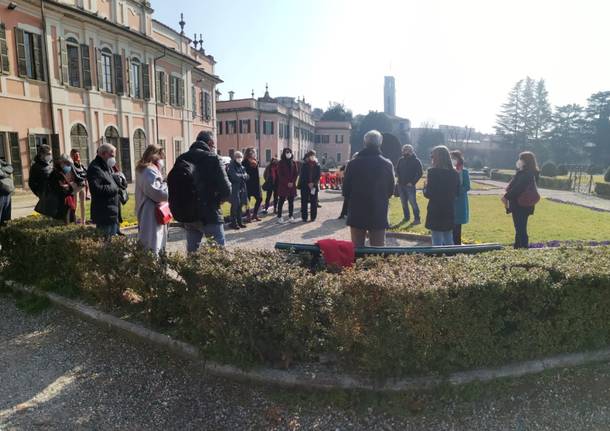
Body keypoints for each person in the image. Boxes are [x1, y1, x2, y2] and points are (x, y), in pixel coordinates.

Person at [179, 131, 231, 251]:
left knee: (192, 252)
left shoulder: (182, 158)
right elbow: (227, 190)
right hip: (210, 212)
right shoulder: (213, 158)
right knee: (218, 253)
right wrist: (220, 200)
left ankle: (190, 270)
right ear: (210, 143)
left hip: (189, 213)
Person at [342, 130, 395, 247]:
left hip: (357, 210)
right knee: (378, 249)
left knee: (357, 248)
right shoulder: (387, 164)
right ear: (380, 144)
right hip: (378, 210)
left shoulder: (353, 164)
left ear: (364, 143)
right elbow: (391, 190)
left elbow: (345, 190)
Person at [135, 144, 169, 254]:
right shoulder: (148, 170)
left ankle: (156, 267)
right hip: (150, 213)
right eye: (161, 157)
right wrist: (167, 184)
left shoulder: (148, 169)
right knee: (152, 244)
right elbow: (158, 193)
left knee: (155, 242)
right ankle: (153, 269)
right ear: (154, 156)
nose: (162, 160)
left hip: (153, 212)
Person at [502, 151, 540, 249]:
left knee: (520, 228)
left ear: (525, 161)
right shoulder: (527, 172)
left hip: (521, 205)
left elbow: (518, 188)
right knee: (519, 227)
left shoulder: (526, 174)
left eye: (520, 159)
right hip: (524, 204)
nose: (519, 161)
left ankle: (522, 247)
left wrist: (506, 196)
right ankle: (518, 247)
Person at [424, 146, 460, 246]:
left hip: (435, 209)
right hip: (448, 208)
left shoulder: (432, 172)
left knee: (436, 238)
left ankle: (438, 259)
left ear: (436, 158)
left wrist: (424, 187)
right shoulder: (455, 173)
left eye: (432, 156)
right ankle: (451, 259)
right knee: (448, 237)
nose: (431, 158)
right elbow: (457, 193)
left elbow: (429, 193)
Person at [87, 143, 121, 236]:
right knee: (105, 244)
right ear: (103, 154)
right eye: (111, 156)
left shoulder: (106, 166)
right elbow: (96, 188)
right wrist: (114, 187)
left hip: (111, 211)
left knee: (112, 243)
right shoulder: (95, 168)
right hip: (104, 213)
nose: (113, 158)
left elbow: (110, 182)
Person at [396, 145, 423, 225]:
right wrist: (398, 179)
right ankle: (406, 217)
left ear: (411, 151)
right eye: (404, 149)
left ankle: (417, 219)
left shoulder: (416, 161)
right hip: (401, 185)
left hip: (410, 186)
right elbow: (397, 170)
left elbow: (420, 173)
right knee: (403, 203)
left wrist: (413, 182)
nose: (405, 151)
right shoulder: (401, 160)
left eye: (407, 149)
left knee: (413, 203)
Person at [46, 155, 77, 223]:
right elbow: (58, 187)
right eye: (67, 164)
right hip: (60, 200)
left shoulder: (61, 171)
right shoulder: (56, 173)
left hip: (65, 198)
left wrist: (69, 185)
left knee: (68, 215)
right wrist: (69, 186)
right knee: (64, 219)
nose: (68, 166)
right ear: (62, 163)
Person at [451, 150, 471, 245]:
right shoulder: (448, 170)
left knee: (457, 226)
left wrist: (457, 192)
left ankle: (456, 246)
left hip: (459, 201)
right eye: (451, 158)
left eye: (454, 158)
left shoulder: (464, 172)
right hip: (449, 201)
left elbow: (467, 186)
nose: (452, 160)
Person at [276, 148, 299, 224]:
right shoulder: (280, 163)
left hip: (292, 186)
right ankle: (279, 216)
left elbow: (296, 173)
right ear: (284, 153)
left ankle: (291, 216)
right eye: (287, 152)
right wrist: (287, 183)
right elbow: (280, 175)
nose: (288, 153)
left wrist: (292, 182)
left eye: (289, 152)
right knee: (281, 201)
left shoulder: (293, 162)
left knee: (291, 202)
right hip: (283, 185)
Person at [227, 151, 249, 230]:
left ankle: (240, 222)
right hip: (234, 188)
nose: (240, 159)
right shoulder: (231, 166)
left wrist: (242, 176)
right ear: (235, 158)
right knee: (235, 206)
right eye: (238, 157)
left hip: (241, 188)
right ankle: (233, 223)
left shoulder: (242, 167)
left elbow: (247, 176)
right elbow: (234, 176)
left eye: (241, 157)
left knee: (240, 206)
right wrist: (243, 176)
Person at [300, 150, 321, 222]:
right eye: (311, 155)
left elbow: (318, 176)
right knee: (304, 202)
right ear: (308, 156)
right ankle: (304, 217)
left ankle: (313, 217)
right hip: (305, 186)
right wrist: (308, 183)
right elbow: (302, 176)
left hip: (314, 186)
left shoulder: (317, 165)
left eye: (313, 155)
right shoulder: (304, 165)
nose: (312, 156)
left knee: (314, 202)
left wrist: (313, 183)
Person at [243, 148, 262, 222]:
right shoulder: (244, 162)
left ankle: (255, 214)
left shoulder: (256, 161)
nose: (254, 153)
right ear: (249, 153)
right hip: (248, 184)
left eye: (254, 152)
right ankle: (248, 216)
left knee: (259, 199)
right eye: (253, 152)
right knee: (247, 200)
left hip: (256, 184)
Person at [70, 149, 88, 225]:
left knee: (83, 205)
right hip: (76, 187)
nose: (77, 156)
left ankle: (83, 222)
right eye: (75, 155)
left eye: (78, 155)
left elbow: (87, 173)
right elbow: (76, 177)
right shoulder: (71, 165)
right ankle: (74, 221)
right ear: (72, 156)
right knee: (75, 206)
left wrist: (83, 176)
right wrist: (84, 176)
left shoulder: (81, 165)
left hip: (82, 186)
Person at [0, 157, 15, 226]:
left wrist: (3, 170)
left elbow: (11, 167)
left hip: (6, 193)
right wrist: (5, 172)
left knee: (6, 220)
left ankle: (6, 234)